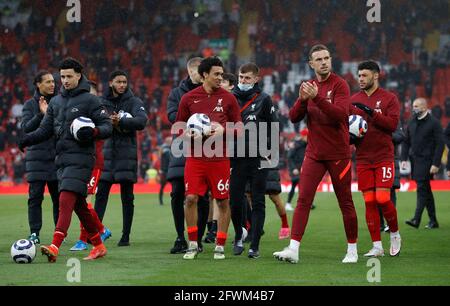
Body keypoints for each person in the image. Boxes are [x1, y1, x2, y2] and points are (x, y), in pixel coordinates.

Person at [19, 57, 112, 262]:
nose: (65, 80)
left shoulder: (90, 100)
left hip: (83, 159)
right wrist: (26, 139)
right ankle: (98, 245)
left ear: (79, 76)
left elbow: (108, 126)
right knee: (79, 205)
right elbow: (44, 130)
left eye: (69, 76)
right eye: (62, 77)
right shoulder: (56, 102)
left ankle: (55, 245)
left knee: (65, 198)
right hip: (61, 160)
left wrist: (94, 131)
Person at [273, 44, 358, 264]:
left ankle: (352, 250)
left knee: (345, 202)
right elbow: (293, 117)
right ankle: (293, 249)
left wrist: (317, 98)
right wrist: (303, 100)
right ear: (311, 64)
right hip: (314, 153)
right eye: (318, 59)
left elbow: (340, 115)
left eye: (327, 58)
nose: (323, 62)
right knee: (303, 200)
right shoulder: (308, 87)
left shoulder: (340, 85)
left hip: (338, 153)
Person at [175, 56, 242, 260]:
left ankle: (220, 244)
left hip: (219, 158)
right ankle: (193, 243)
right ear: (205, 75)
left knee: (222, 201)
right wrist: (188, 134)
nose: (221, 78)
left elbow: (239, 127)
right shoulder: (188, 98)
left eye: (222, 74)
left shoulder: (229, 98)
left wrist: (223, 130)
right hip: (195, 158)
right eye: (217, 74)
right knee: (190, 198)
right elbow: (178, 127)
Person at [350, 60, 402, 257]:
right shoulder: (353, 100)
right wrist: (349, 136)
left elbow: (392, 125)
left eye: (364, 75)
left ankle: (395, 233)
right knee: (369, 201)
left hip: (383, 157)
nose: (360, 79)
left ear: (376, 76)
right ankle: (377, 246)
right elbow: (347, 128)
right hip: (363, 158)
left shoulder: (389, 98)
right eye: (359, 75)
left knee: (382, 198)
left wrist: (371, 113)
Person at [230, 62, 279, 259]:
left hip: (259, 158)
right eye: (241, 77)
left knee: (258, 201)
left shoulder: (265, 100)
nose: (243, 81)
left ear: (256, 79)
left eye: (247, 78)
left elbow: (274, 127)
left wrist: (270, 152)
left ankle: (255, 245)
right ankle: (239, 234)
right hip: (236, 158)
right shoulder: (230, 98)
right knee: (235, 201)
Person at [94, 70, 148, 246]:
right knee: (101, 195)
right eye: (118, 82)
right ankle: (95, 233)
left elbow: (142, 121)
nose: (122, 85)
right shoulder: (102, 102)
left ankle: (126, 236)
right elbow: (95, 122)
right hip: (107, 155)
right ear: (111, 83)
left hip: (127, 156)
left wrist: (122, 122)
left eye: (124, 82)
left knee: (127, 197)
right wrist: (110, 122)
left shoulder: (134, 102)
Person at [166, 57, 210, 254]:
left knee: (202, 196)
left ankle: (197, 239)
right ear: (190, 72)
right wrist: (192, 123)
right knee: (177, 193)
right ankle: (180, 237)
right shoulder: (177, 93)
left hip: (207, 148)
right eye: (195, 72)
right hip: (182, 147)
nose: (199, 76)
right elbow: (171, 116)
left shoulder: (211, 93)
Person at [70, 80, 112, 251]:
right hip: (78, 161)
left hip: (94, 162)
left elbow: (106, 131)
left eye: (91, 93)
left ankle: (83, 239)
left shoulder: (99, 113)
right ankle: (102, 229)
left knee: (85, 201)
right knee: (78, 201)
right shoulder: (77, 112)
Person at [21, 71, 59, 244]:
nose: (52, 84)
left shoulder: (59, 102)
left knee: (59, 199)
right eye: (48, 81)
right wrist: (41, 114)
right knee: (35, 198)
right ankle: (34, 233)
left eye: (53, 81)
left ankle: (59, 233)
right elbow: (26, 128)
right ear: (38, 84)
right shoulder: (30, 105)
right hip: (36, 158)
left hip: (56, 157)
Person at [402, 98, 445, 229]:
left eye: (416, 106)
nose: (413, 108)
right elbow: (406, 141)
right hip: (415, 161)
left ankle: (416, 218)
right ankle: (433, 221)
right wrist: (404, 159)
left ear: (424, 107)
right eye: (413, 106)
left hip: (428, 161)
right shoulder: (411, 122)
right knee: (426, 189)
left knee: (421, 188)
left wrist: (436, 164)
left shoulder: (434, 123)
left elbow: (440, 144)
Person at [379, 123, 405, 232]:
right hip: (376, 160)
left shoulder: (393, 122)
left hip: (391, 161)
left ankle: (391, 223)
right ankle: (380, 224)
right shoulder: (372, 120)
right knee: (376, 195)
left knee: (390, 193)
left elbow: (400, 137)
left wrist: (384, 134)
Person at [285, 129, 308, 212]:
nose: (308, 138)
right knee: (296, 185)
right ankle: (288, 203)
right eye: (307, 136)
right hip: (295, 169)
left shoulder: (305, 144)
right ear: (303, 136)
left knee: (302, 185)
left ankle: (305, 203)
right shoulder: (295, 145)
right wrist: (294, 168)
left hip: (301, 168)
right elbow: (289, 157)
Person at [159, 136, 171, 205]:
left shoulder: (170, 149)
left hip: (169, 170)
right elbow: (160, 153)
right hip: (165, 171)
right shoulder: (164, 149)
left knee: (174, 186)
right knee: (162, 186)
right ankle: (160, 201)